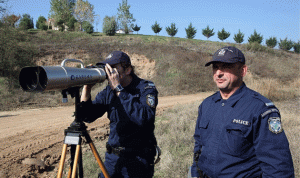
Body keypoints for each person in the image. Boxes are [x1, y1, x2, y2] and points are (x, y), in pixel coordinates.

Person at [190, 46, 294, 178]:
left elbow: (278, 166)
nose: (218, 73)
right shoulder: (207, 105)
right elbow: (199, 148)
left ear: (243, 71)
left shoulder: (260, 109)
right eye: (215, 67)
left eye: (226, 66)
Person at [78, 51, 158, 178]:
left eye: (113, 68)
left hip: (138, 161)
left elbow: (145, 118)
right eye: (107, 68)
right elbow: (87, 116)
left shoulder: (145, 88)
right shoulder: (109, 91)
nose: (109, 72)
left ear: (127, 70)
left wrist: (119, 89)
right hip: (113, 159)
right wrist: (87, 88)